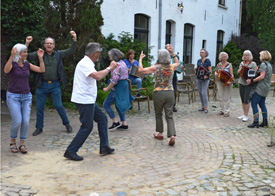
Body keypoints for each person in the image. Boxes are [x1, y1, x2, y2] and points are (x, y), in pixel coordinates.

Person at [64, 42, 117, 161]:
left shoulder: (88, 62)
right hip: (84, 100)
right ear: (95, 53)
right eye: (99, 52)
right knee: (87, 126)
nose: (99, 55)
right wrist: (109, 68)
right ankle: (70, 151)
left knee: (102, 119)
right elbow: (97, 76)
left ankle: (104, 147)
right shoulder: (85, 63)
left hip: (88, 99)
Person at [25, 31, 77, 136]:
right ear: (44, 45)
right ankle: (39, 128)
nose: (49, 45)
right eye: (47, 43)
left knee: (58, 105)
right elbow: (25, 56)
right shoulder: (39, 54)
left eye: (51, 43)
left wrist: (74, 39)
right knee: (39, 107)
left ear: (54, 45)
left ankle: (67, 124)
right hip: (42, 85)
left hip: (55, 85)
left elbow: (71, 51)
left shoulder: (58, 54)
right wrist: (27, 43)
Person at [4, 44, 45, 153]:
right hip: (13, 96)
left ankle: (22, 143)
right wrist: (11, 56)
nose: (26, 54)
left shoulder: (27, 65)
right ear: (19, 53)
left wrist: (40, 58)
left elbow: (41, 70)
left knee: (25, 121)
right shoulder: (12, 64)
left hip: (26, 96)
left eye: (27, 52)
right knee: (17, 121)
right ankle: (13, 141)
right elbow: (6, 70)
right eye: (24, 52)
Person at [138, 44, 179, 146]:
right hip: (170, 92)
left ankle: (160, 133)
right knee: (169, 115)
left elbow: (141, 70)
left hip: (159, 92)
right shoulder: (171, 66)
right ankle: (172, 136)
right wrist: (172, 52)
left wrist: (140, 59)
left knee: (158, 114)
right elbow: (177, 62)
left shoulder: (156, 67)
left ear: (160, 58)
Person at [103, 49, 133, 130]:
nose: (109, 57)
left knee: (106, 104)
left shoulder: (116, 65)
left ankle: (115, 121)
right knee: (118, 104)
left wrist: (107, 88)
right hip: (124, 85)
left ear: (113, 56)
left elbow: (114, 80)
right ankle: (124, 123)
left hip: (118, 87)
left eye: (110, 55)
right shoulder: (123, 62)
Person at [247, 50, 272, 128]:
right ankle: (265, 121)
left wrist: (252, 80)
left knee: (254, 103)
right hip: (266, 87)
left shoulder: (263, 64)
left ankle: (256, 121)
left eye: (260, 55)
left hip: (261, 87)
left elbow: (262, 76)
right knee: (262, 104)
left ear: (263, 56)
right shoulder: (269, 65)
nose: (259, 57)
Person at [237, 50, 257, 122]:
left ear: (249, 56)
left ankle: (246, 115)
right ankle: (244, 114)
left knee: (246, 99)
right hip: (241, 82)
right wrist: (239, 71)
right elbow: (238, 72)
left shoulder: (253, 64)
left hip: (248, 84)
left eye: (246, 55)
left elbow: (254, 73)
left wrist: (250, 79)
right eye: (244, 55)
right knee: (242, 99)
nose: (245, 56)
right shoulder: (242, 63)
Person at [215, 52, 234, 117]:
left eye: (226, 57)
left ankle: (227, 111)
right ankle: (221, 110)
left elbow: (232, 75)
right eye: (224, 57)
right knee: (220, 96)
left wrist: (230, 81)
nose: (225, 58)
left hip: (227, 82)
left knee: (227, 97)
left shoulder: (229, 65)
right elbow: (216, 71)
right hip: (220, 82)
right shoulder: (219, 65)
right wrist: (215, 73)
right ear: (221, 58)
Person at [195, 49, 212, 113]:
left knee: (203, 93)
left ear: (205, 54)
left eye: (202, 52)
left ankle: (206, 107)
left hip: (205, 78)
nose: (201, 53)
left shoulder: (208, 61)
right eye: (200, 52)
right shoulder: (199, 61)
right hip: (199, 78)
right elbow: (198, 68)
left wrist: (207, 75)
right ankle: (202, 106)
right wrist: (196, 68)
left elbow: (210, 71)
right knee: (200, 92)